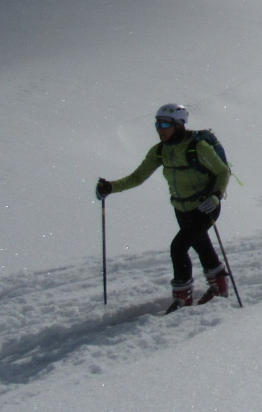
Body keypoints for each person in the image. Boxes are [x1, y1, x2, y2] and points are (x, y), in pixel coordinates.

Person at [95, 104, 232, 313]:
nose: (161, 129)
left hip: (205, 207)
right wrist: (111, 187)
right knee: (200, 244)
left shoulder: (199, 147)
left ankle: (183, 298)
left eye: (166, 124)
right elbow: (138, 177)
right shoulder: (160, 150)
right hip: (181, 208)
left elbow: (223, 172)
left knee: (178, 247)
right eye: (158, 124)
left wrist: (215, 195)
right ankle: (219, 287)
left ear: (179, 124)